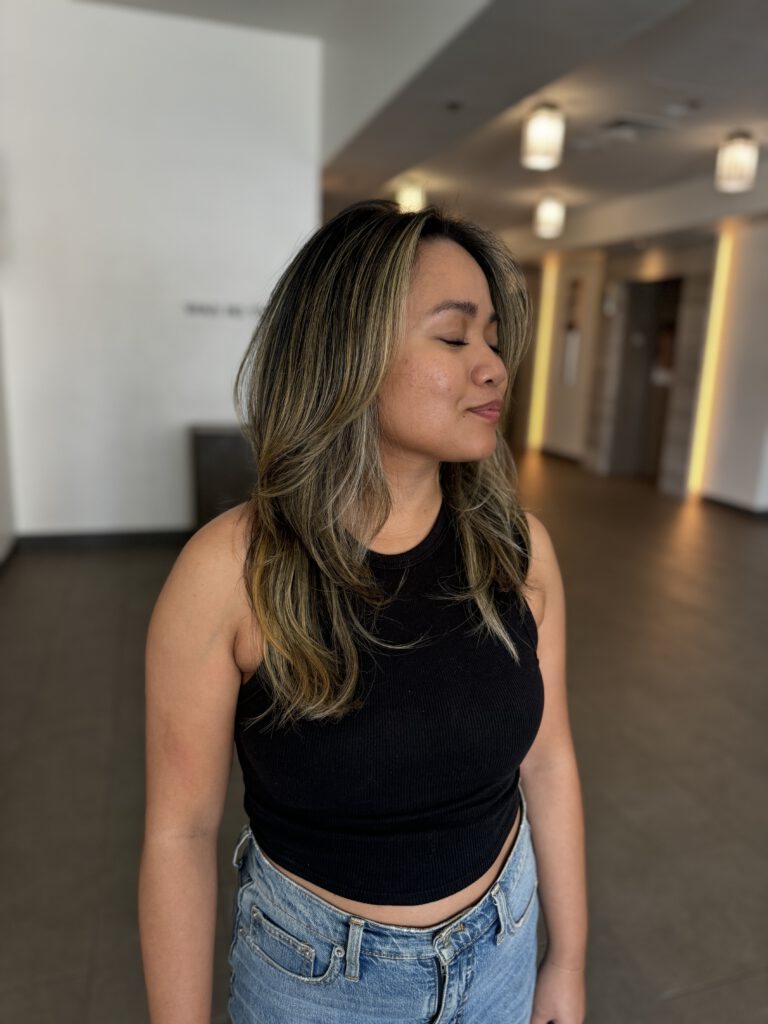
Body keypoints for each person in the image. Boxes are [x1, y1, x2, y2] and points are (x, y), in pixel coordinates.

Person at [138, 199, 588, 1024]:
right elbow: (180, 832)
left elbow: (549, 762)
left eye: (492, 339)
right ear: (349, 353)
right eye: (453, 337)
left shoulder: (519, 549)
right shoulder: (230, 572)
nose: (493, 366)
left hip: (503, 945)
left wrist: (567, 959)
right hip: (317, 985)